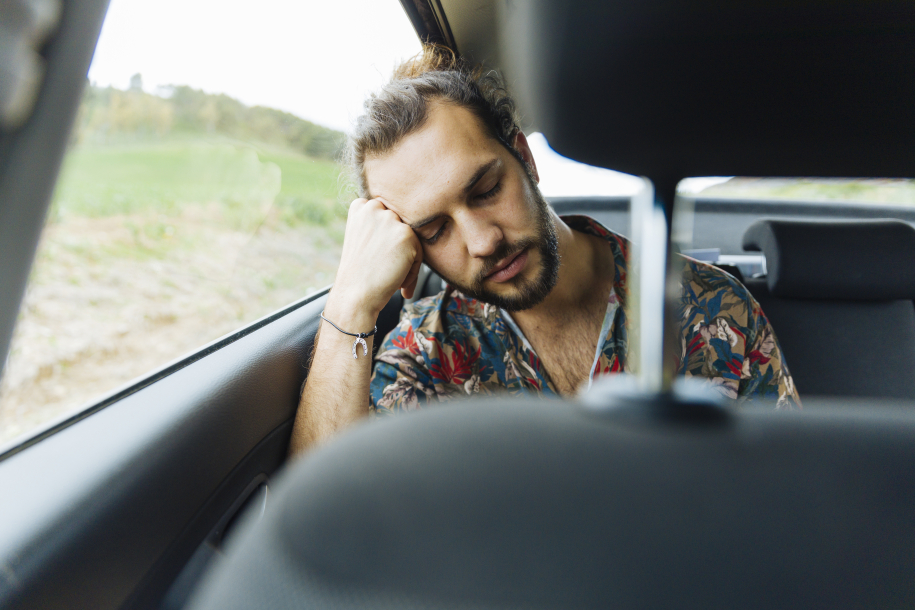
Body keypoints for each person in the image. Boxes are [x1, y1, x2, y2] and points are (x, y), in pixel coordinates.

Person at [288, 46, 799, 455]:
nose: (484, 242)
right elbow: (316, 523)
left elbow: (789, 495)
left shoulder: (710, 307)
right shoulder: (427, 352)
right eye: (436, 230)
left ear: (525, 156)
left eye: (486, 190)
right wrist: (351, 302)